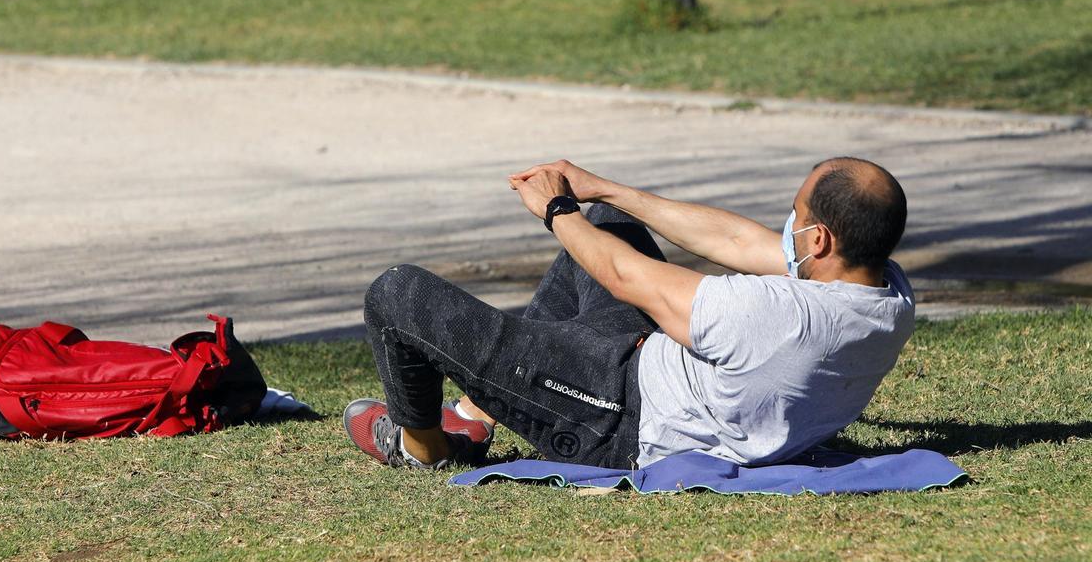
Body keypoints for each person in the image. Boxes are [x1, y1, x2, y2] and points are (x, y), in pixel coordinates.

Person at [343, 157, 914, 470]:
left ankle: (426, 448)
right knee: (612, 228)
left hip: (617, 417)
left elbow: (628, 278)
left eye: (795, 216)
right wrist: (605, 192)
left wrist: (559, 210)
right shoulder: (886, 292)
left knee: (399, 295)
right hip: (644, 363)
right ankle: (475, 410)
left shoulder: (780, 318)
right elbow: (740, 242)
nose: (783, 229)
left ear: (818, 239)